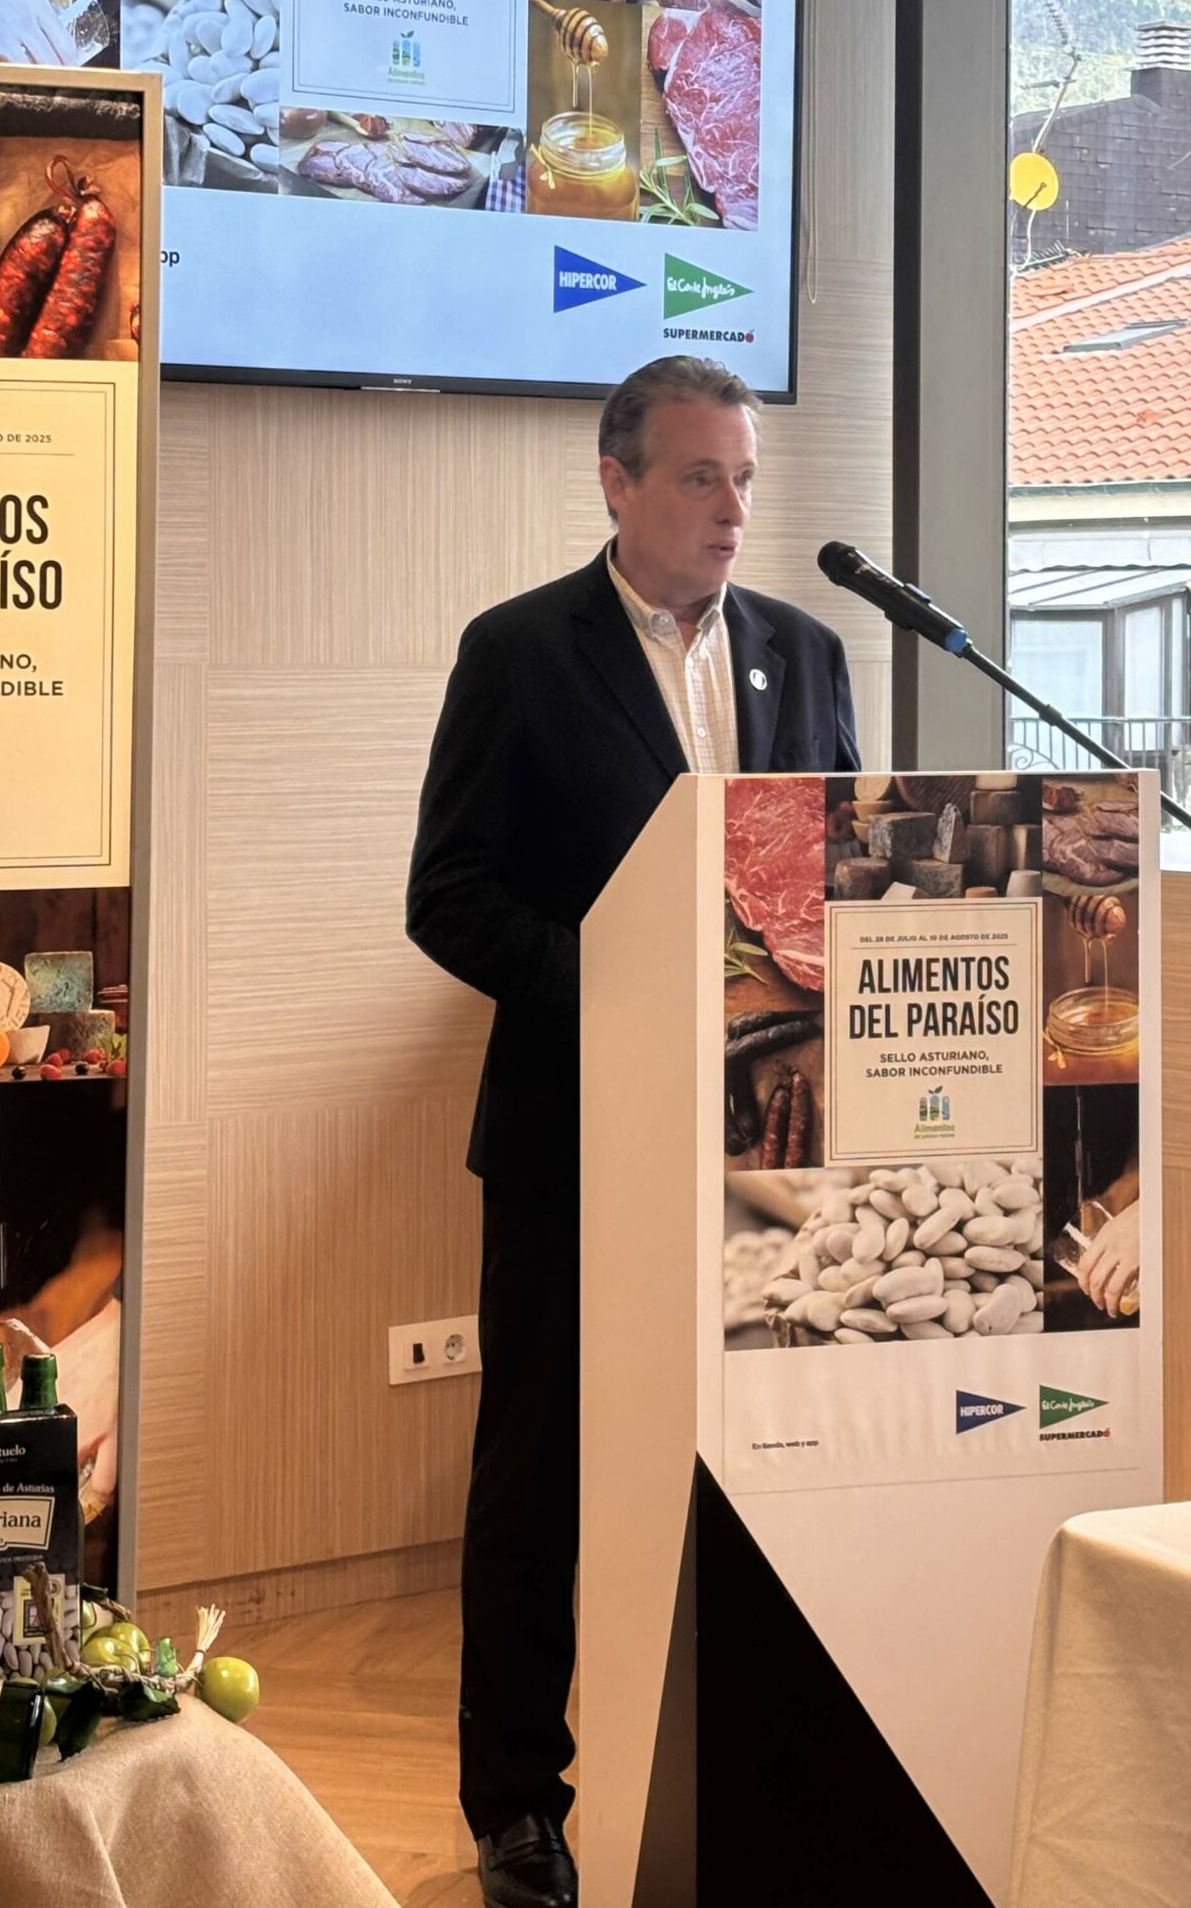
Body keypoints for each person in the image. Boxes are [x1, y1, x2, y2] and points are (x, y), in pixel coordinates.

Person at [407, 355, 859, 1908]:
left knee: (766, 1462)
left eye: (745, 480)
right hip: (575, 1142)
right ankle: (517, 1810)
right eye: (698, 477)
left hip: (771, 1143)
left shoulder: (808, 653)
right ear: (616, 482)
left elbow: (841, 877)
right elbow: (451, 897)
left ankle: (762, 1768)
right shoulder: (521, 655)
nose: (734, 509)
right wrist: (626, 995)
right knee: (537, 1486)